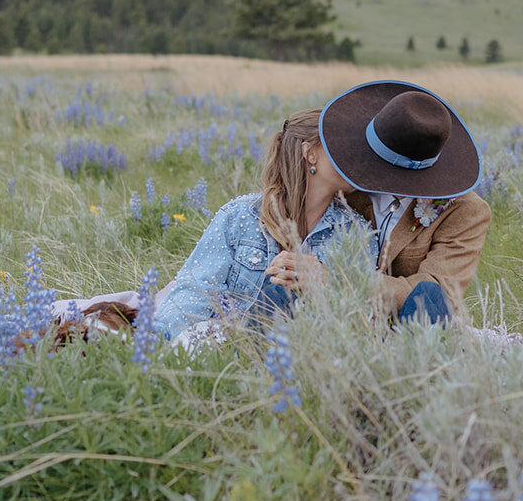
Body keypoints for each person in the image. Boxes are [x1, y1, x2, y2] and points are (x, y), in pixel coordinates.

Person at [150, 108, 375, 341]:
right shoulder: (240, 216)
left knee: (281, 294)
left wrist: (327, 281)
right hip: (228, 354)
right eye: (345, 149)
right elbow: (193, 294)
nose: (356, 160)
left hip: (308, 361)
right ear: (310, 153)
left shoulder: (357, 232)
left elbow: (366, 316)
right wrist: (157, 344)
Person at [318, 80, 491, 324]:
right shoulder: (342, 182)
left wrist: (336, 280)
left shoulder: (466, 211)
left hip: (406, 338)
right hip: (324, 320)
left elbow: (434, 296)